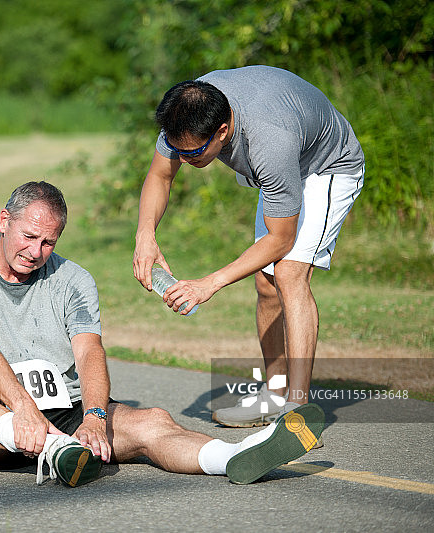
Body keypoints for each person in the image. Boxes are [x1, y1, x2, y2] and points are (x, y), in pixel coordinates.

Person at [0, 181, 324, 487]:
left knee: (153, 421)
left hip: (67, 409)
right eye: (29, 236)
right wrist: (23, 409)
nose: (36, 251)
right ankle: (56, 449)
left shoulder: (74, 278)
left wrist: (96, 417)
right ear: (3, 221)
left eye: (49, 242)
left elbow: (89, 351)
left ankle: (233, 456)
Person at [133, 66, 364, 429]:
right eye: (177, 149)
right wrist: (145, 236)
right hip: (283, 163)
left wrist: (209, 283)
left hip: (325, 166)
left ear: (222, 131)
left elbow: (281, 239)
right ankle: (273, 395)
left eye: (193, 154)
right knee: (265, 283)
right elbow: (160, 175)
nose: (184, 159)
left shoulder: (270, 140)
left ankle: (297, 410)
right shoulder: (185, 112)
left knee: (288, 273)